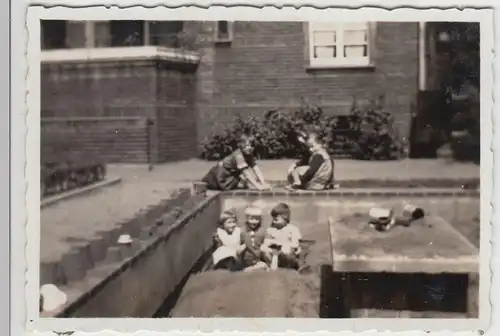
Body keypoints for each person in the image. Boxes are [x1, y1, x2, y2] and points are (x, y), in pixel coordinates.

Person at [202, 134, 271, 191]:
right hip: (221, 173)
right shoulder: (239, 156)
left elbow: (256, 169)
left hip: (230, 172)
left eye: (252, 146)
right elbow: (247, 174)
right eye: (247, 145)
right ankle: (205, 183)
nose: (250, 148)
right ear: (242, 146)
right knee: (210, 184)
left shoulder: (249, 155)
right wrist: (258, 186)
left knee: (240, 175)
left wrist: (263, 183)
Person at [261, 203, 302, 270]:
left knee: (286, 249)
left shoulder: (292, 229)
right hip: (274, 251)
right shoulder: (271, 229)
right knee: (263, 248)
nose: (274, 222)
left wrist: (281, 244)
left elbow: (295, 244)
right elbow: (266, 241)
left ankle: (288, 266)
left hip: (287, 253)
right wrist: (269, 243)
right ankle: (270, 264)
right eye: (273, 219)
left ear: (285, 218)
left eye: (276, 220)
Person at [240, 205, 269, 272]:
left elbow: (267, 238)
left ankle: (256, 267)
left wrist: (265, 244)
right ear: (246, 219)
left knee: (265, 252)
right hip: (247, 257)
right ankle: (250, 267)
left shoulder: (262, 230)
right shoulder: (242, 230)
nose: (254, 221)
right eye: (251, 219)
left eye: (257, 219)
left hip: (258, 257)